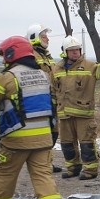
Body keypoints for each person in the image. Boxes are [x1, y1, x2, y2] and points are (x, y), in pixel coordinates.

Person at [0, 36, 62, 199]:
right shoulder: (43, 75)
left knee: (5, 173)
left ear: (13, 54)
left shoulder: (7, 77)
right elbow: (52, 105)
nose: (3, 60)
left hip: (16, 139)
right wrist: (54, 132)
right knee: (43, 175)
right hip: (43, 137)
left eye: (4, 55)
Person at [54, 36, 100, 180]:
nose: (75, 53)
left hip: (83, 114)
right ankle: (72, 167)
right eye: (71, 51)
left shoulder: (90, 66)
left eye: (77, 50)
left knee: (86, 143)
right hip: (64, 114)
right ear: (65, 52)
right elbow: (53, 91)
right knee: (66, 143)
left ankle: (90, 170)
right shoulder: (56, 69)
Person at [27, 23, 61, 173]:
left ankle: (46, 163)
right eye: (44, 35)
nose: (47, 38)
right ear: (34, 37)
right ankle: (42, 164)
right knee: (44, 134)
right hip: (40, 102)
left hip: (51, 101)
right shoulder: (31, 55)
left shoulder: (46, 55)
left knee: (53, 133)